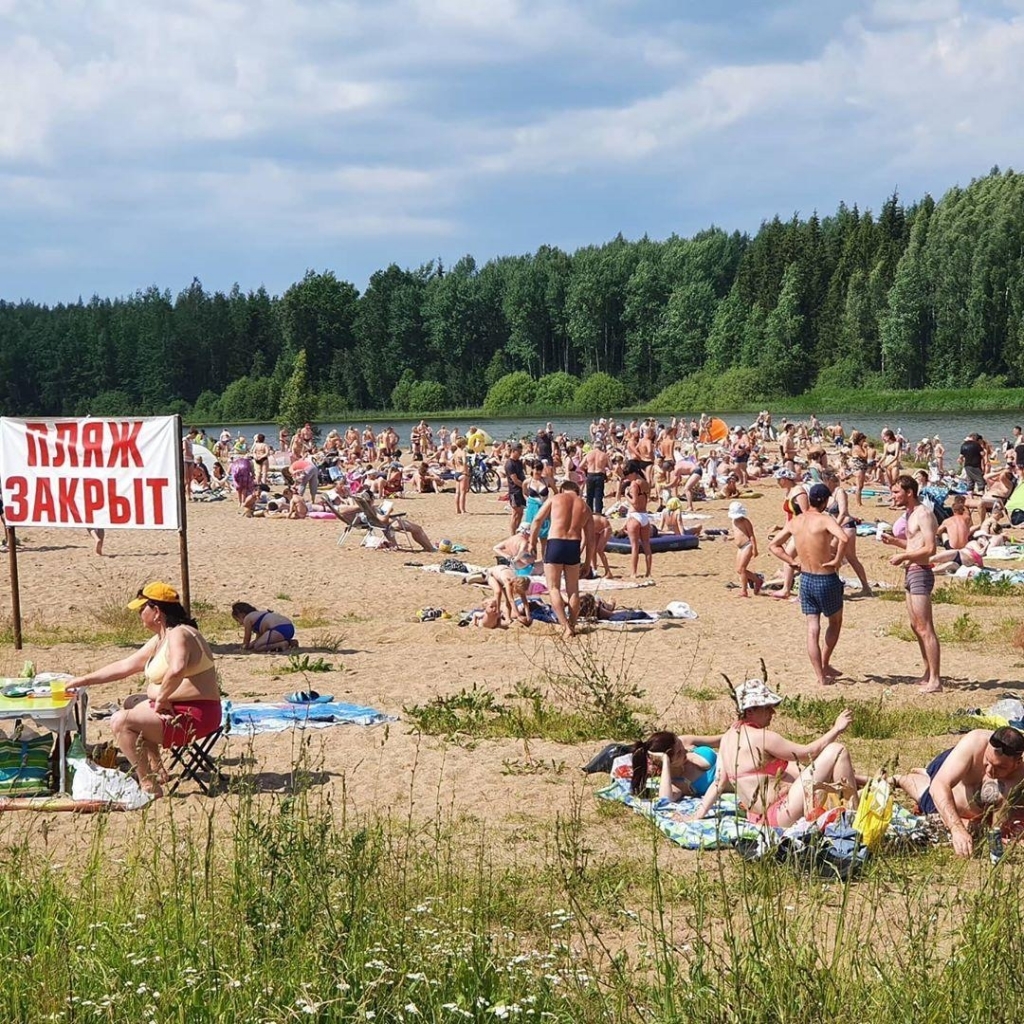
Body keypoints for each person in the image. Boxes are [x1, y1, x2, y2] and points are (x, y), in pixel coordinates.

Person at [67, 583, 221, 798]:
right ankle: (157, 768)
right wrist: (84, 679)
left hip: (194, 716)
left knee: (121, 721)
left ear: (156, 611)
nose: (140, 614)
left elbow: (177, 668)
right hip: (180, 708)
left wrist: (161, 697)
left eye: (142, 609)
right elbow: (125, 666)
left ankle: (148, 784)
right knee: (132, 702)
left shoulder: (179, 634)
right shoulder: (161, 637)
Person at [685, 679, 859, 828]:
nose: (773, 712)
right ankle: (853, 820)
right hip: (780, 814)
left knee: (805, 772)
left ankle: (845, 809)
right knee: (837, 750)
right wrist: (836, 729)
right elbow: (809, 753)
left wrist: (698, 813)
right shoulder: (763, 738)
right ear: (750, 710)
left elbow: (718, 783)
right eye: (767, 708)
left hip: (756, 818)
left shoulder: (728, 738)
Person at [896, 727, 1024, 857]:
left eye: (1000, 767)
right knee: (923, 789)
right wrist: (956, 829)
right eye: (987, 760)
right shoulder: (975, 742)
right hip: (949, 772)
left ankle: (925, 773)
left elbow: (998, 828)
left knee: (979, 826)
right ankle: (900, 779)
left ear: (1017, 763)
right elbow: (939, 786)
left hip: (972, 805)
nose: (990, 770)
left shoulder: (1019, 777)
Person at [769, 483, 849, 685]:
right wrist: (837, 560)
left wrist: (791, 561)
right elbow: (844, 537)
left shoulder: (796, 521)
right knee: (835, 622)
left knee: (812, 628)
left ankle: (821, 676)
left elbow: (774, 545)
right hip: (825, 577)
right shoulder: (824, 519)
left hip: (806, 578)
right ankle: (825, 662)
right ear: (823, 501)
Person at [882, 474, 941, 693]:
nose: (893, 496)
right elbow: (914, 544)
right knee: (915, 626)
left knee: (925, 627)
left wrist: (904, 557)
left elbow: (930, 548)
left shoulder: (923, 514)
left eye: (896, 492)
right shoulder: (910, 513)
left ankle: (935, 679)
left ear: (910, 492)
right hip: (911, 570)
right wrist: (896, 543)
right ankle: (928, 672)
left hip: (921, 572)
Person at [528, 480, 595, 636]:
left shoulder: (556, 498)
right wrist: (587, 562)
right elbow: (591, 539)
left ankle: (565, 626)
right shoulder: (585, 507)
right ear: (576, 491)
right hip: (573, 545)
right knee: (573, 590)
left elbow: (537, 520)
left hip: (556, 543)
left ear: (563, 489)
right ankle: (572, 623)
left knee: (554, 588)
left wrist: (532, 542)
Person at [629, 732, 723, 801]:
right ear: (669, 762)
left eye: (681, 745)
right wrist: (665, 760)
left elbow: (720, 740)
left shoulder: (683, 741)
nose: (685, 751)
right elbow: (665, 799)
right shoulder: (677, 783)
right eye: (679, 753)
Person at [623, 459, 653, 578]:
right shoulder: (644, 483)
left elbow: (634, 503)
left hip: (635, 515)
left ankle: (634, 572)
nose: (627, 478)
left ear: (633, 473)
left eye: (628, 475)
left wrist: (626, 496)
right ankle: (648, 572)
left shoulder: (634, 484)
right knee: (646, 545)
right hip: (644, 515)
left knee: (635, 546)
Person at [231, 602, 297, 652]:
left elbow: (247, 638)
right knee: (259, 644)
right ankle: (290, 642)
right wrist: (250, 646)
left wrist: (243, 648)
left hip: (278, 629)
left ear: (241, 614)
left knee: (258, 647)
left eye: (238, 620)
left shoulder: (248, 619)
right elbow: (258, 639)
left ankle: (282, 644)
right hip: (289, 627)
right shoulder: (257, 616)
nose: (240, 623)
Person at [728, 501, 761, 597]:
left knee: (742, 568)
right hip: (740, 547)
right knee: (739, 569)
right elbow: (737, 533)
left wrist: (755, 548)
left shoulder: (745, 521)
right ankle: (757, 580)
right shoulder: (733, 521)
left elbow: (751, 535)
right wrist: (730, 538)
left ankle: (744, 590)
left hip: (747, 545)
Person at [505, 442, 527, 534]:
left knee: (520, 513)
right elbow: (515, 480)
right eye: (519, 452)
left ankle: (517, 531)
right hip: (514, 491)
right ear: (513, 451)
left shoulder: (518, 462)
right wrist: (526, 487)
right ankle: (512, 534)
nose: (520, 454)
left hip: (520, 491)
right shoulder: (509, 464)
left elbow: (522, 474)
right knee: (515, 513)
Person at [582, 442, 610, 514]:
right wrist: (603, 465)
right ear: (601, 447)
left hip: (590, 474)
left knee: (589, 495)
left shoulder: (589, 454)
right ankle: (598, 512)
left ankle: (589, 512)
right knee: (599, 495)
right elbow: (611, 466)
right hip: (600, 475)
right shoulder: (604, 455)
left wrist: (587, 467)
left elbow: (580, 465)